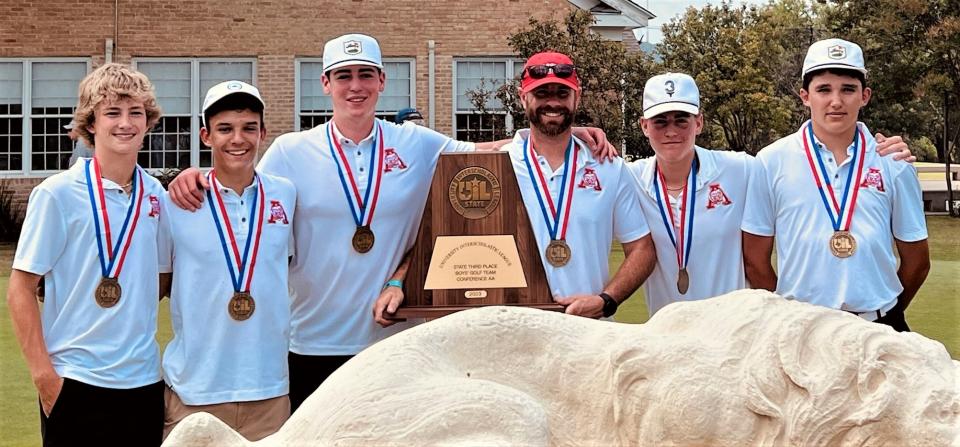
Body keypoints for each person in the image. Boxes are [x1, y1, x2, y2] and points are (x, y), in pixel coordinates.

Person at [167, 34, 614, 411]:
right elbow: (242, 186)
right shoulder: (289, 150)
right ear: (325, 83)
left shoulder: (415, 142)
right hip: (309, 343)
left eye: (365, 74)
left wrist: (564, 129)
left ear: (382, 81)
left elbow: (490, 153)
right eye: (343, 75)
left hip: (397, 340)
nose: (355, 86)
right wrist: (194, 175)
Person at [375, 51, 657, 321]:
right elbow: (438, 236)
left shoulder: (609, 167)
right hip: (511, 335)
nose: (553, 103)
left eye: (562, 93)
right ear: (524, 98)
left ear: (577, 97)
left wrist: (606, 301)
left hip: (586, 331)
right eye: (541, 93)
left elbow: (642, 247)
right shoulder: (491, 168)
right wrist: (398, 281)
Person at [7, 63, 166, 446]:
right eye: (112, 112)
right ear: (90, 124)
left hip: (143, 384)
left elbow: (160, 280)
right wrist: (45, 378)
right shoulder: (56, 194)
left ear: (148, 121)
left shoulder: (157, 196)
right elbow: (21, 289)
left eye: (136, 113)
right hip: (74, 383)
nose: (125, 123)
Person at [742, 38, 930, 332]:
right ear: (805, 96)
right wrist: (787, 317)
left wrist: (883, 315)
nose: (836, 101)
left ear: (864, 96)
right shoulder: (771, 161)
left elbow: (917, 261)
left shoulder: (893, 163)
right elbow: (755, 260)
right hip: (801, 329)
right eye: (823, 89)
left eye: (848, 89)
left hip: (880, 326)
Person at [157, 81, 295, 440]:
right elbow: (156, 287)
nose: (239, 139)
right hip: (194, 392)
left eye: (249, 127)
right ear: (206, 136)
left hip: (270, 392)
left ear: (263, 132)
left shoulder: (286, 194)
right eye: (225, 129)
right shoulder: (176, 202)